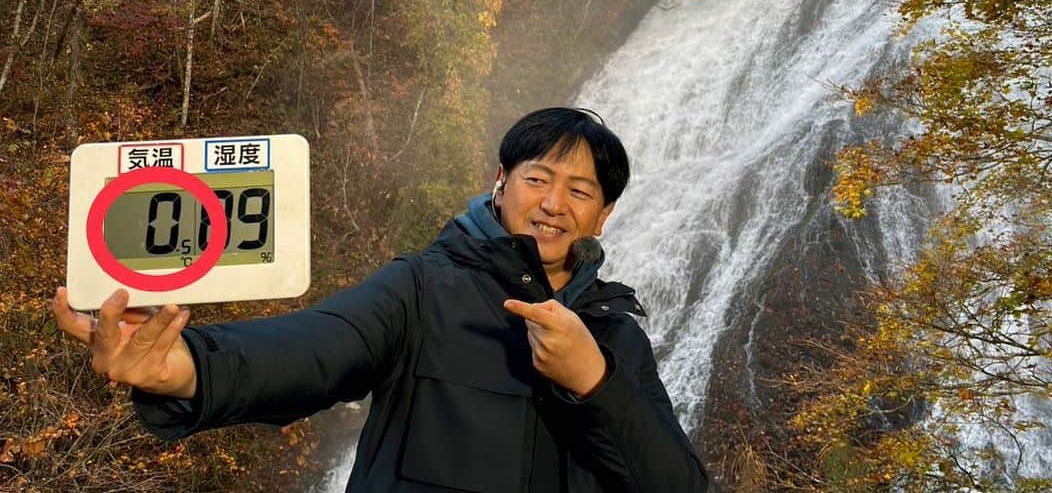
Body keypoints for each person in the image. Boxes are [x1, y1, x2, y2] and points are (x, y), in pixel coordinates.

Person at [54, 107, 710, 491]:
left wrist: (593, 381)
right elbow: (311, 349)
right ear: (501, 183)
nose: (553, 203)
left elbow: (675, 482)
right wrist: (182, 368)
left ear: (605, 214)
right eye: (538, 178)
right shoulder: (422, 289)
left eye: (580, 190)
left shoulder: (617, 338)